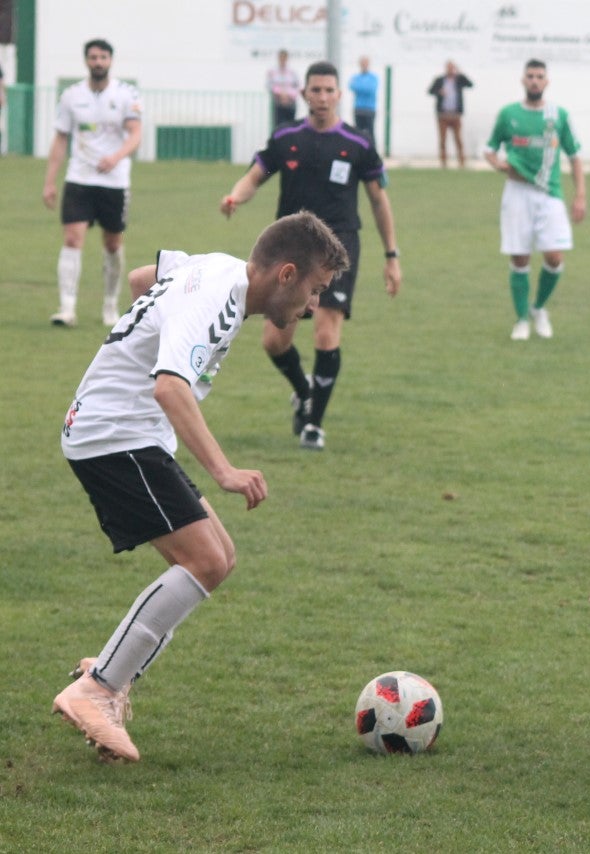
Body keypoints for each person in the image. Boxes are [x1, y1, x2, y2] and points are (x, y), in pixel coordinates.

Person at [52, 212, 349, 764]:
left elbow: (147, 278)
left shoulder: (218, 268)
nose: (313, 308)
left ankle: (108, 675)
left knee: (221, 556)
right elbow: (169, 388)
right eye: (314, 291)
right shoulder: (216, 300)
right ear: (286, 273)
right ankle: (99, 689)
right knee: (206, 560)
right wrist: (225, 472)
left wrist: (153, 321)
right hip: (114, 435)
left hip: (127, 432)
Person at [221, 60, 403, 451]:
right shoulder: (286, 137)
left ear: (340, 95)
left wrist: (392, 255)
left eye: (328, 90)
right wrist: (236, 195)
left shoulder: (359, 144)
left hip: (338, 247)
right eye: (315, 90)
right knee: (274, 342)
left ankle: (313, 425)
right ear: (304, 94)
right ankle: (304, 390)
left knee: (325, 329)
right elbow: (254, 177)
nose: (321, 97)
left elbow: (378, 201)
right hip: (292, 247)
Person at [483, 59, 586, 341]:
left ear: (547, 81)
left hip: (549, 194)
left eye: (540, 76)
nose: (535, 81)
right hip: (517, 193)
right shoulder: (509, 114)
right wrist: (500, 165)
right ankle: (520, 320)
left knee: (554, 257)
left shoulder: (559, 115)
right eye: (530, 76)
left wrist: (580, 195)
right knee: (520, 258)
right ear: (522, 80)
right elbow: (489, 149)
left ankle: (538, 308)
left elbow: (575, 156)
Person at [41, 39, 143, 328]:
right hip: (79, 178)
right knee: (72, 239)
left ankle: (110, 305)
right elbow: (61, 138)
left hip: (114, 181)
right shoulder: (72, 95)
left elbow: (136, 133)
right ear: (86, 61)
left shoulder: (126, 94)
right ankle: (67, 308)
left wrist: (117, 156)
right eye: (93, 57)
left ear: (111, 60)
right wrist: (50, 181)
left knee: (112, 243)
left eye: (103, 57)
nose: (98, 62)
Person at [428, 61, 472, 168]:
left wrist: (460, 72)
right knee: (443, 140)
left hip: (455, 115)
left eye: (452, 68)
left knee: (458, 139)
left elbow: (470, 84)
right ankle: (443, 162)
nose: (450, 69)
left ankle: (461, 162)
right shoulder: (439, 80)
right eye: (449, 67)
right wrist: (439, 92)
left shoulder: (459, 80)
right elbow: (430, 91)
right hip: (443, 114)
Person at [267, 49, 300, 128]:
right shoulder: (272, 72)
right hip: (278, 103)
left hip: (290, 103)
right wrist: (280, 93)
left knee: (291, 126)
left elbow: (297, 86)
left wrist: (288, 95)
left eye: (284, 58)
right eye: (281, 57)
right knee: (279, 126)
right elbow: (269, 85)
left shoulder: (292, 72)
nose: (283, 60)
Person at [349, 56, 378, 140]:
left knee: (371, 132)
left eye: (366, 63)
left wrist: (359, 87)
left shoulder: (373, 77)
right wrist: (364, 87)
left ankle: (372, 151)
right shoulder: (356, 77)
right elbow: (351, 86)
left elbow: (371, 89)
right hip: (358, 108)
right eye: (362, 63)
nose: (364, 65)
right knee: (358, 133)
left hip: (369, 109)